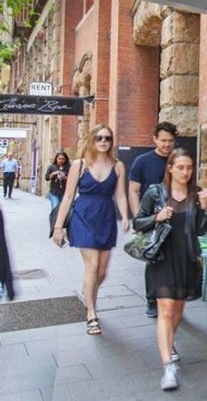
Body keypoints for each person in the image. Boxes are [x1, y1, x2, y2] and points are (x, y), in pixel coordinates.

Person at [133, 148, 207, 391]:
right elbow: (137, 222)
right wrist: (156, 217)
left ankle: (169, 340)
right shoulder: (155, 192)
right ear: (170, 168)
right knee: (165, 311)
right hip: (162, 258)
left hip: (187, 259)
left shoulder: (196, 194)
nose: (185, 172)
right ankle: (168, 368)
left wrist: (205, 208)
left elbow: (200, 230)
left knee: (177, 310)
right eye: (180, 167)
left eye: (189, 168)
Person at [51, 125, 130, 336]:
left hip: (106, 217)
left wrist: (125, 217)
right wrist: (58, 227)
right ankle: (92, 314)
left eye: (108, 138)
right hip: (83, 216)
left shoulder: (118, 166)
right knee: (92, 265)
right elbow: (68, 196)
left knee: (101, 272)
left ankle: (88, 293)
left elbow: (120, 194)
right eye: (99, 137)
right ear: (92, 140)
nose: (103, 141)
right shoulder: (80, 164)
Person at [129, 121, 178, 318]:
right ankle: (151, 300)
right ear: (155, 139)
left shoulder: (178, 160)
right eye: (163, 140)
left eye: (170, 140)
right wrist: (140, 219)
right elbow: (134, 190)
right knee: (153, 259)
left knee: (174, 260)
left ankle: (171, 300)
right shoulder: (142, 161)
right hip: (152, 217)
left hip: (175, 216)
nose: (167, 144)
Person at [46, 152, 71, 236]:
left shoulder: (68, 168)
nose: (61, 160)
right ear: (56, 159)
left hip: (65, 192)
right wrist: (53, 174)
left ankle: (64, 227)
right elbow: (47, 177)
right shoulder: (52, 167)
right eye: (59, 159)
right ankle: (54, 228)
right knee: (55, 208)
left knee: (66, 211)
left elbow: (72, 179)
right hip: (54, 192)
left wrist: (64, 177)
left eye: (63, 159)